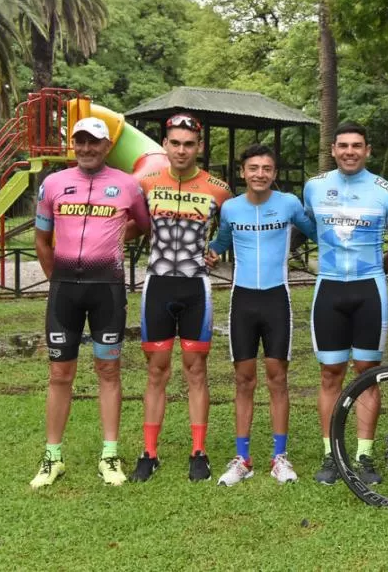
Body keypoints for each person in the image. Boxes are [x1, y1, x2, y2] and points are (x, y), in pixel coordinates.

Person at [30, 116, 150, 488]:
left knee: (109, 372)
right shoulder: (53, 183)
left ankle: (109, 455)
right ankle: (53, 458)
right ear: (73, 145)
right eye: (80, 141)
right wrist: (59, 280)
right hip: (64, 291)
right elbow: (41, 240)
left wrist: (113, 239)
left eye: (93, 142)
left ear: (107, 146)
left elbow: (142, 225)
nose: (86, 148)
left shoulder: (128, 185)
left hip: (107, 291)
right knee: (59, 374)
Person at [128, 113, 231, 483]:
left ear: (199, 147)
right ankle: (149, 453)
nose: (182, 150)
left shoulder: (218, 188)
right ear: (165, 145)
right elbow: (129, 222)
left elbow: (234, 223)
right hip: (157, 284)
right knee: (156, 371)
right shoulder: (144, 182)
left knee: (196, 371)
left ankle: (198, 451)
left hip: (195, 287)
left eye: (189, 144)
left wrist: (218, 247)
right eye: (175, 143)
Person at [206, 144, 316, 486]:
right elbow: (221, 242)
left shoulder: (289, 204)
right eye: (253, 168)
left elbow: (317, 232)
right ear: (242, 172)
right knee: (243, 380)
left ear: (274, 173)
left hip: (276, 300)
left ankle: (279, 456)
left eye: (266, 168)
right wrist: (211, 253)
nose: (260, 174)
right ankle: (243, 458)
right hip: (242, 301)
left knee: (277, 378)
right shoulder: (231, 209)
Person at [302, 122, 388, 485]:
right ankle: (331, 455)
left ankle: (363, 455)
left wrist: (381, 268)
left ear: (367, 150)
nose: (349, 151)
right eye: (342, 145)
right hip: (328, 288)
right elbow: (310, 227)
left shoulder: (387, 192)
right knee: (330, 374)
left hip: (369, 291)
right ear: (333, 150)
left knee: (366, 373)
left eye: (356, 146)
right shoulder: (314, 187)